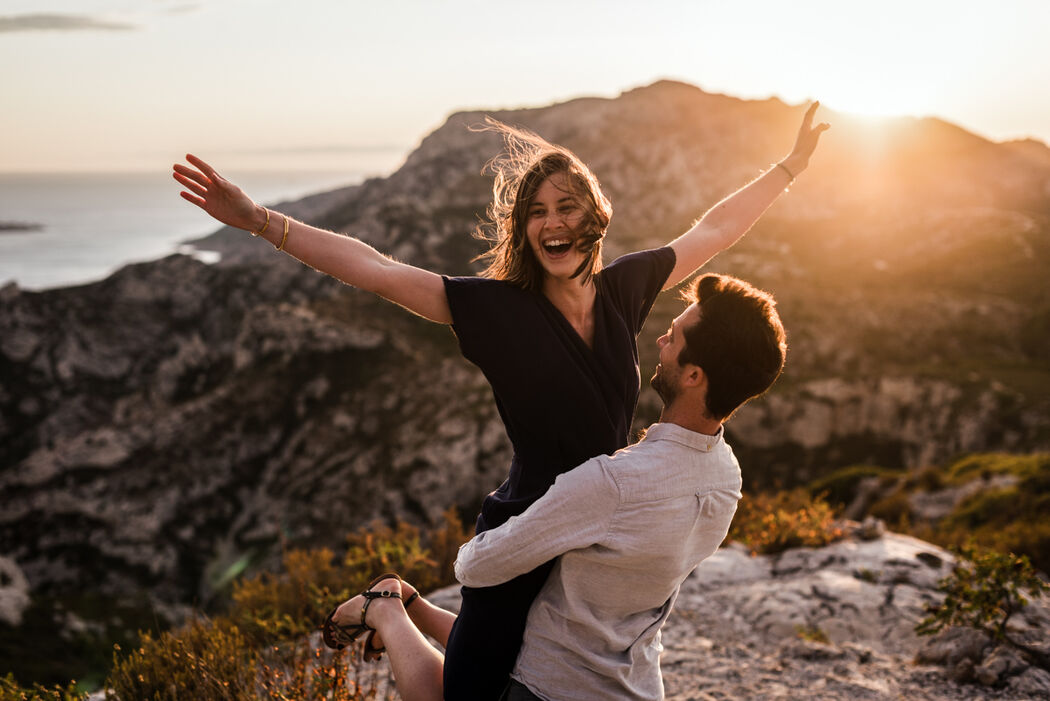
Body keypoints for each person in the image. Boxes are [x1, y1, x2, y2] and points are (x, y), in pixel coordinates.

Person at [172, 103, 827, 699]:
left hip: (596, 528)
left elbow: (715, 229)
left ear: (593, 216)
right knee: (463, 694)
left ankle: (405, 601)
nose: (551, 222)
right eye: (535, 211)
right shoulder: (495, 312)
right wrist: (259, 220)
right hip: (526, 530)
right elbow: (374, 269)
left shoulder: (626, 288)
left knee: (527, 663)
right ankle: (389, 610)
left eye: (566, 205)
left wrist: (790, 168)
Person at [324, 272, 787, 701]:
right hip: (636, 682)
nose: (661, 339)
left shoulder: (614, 482)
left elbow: (477, 568)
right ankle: (410, 604)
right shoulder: (728, 477)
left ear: (693, 376)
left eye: (675, 336)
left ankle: (387, 610)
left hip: (550, 684)